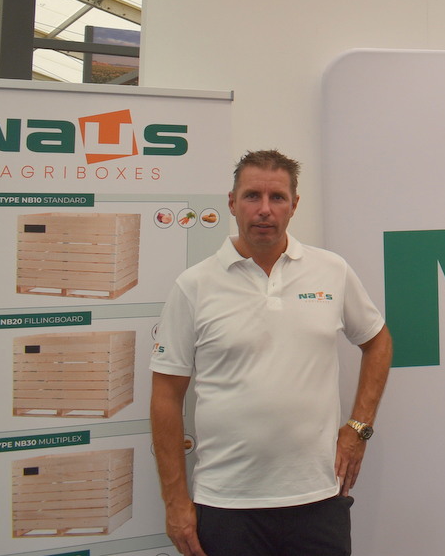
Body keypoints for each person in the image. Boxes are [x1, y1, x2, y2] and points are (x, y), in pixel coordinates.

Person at [150, 149, 392, 556]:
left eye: (277, 197)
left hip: (318, 499)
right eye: (252, 196)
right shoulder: (194, 286)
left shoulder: (331, 270)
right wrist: (174, 501)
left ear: (294, 205)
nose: (264, 209)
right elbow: (165, 396)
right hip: (227, 504)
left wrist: (358, 428)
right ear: (232, 203)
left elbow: (377, 341)